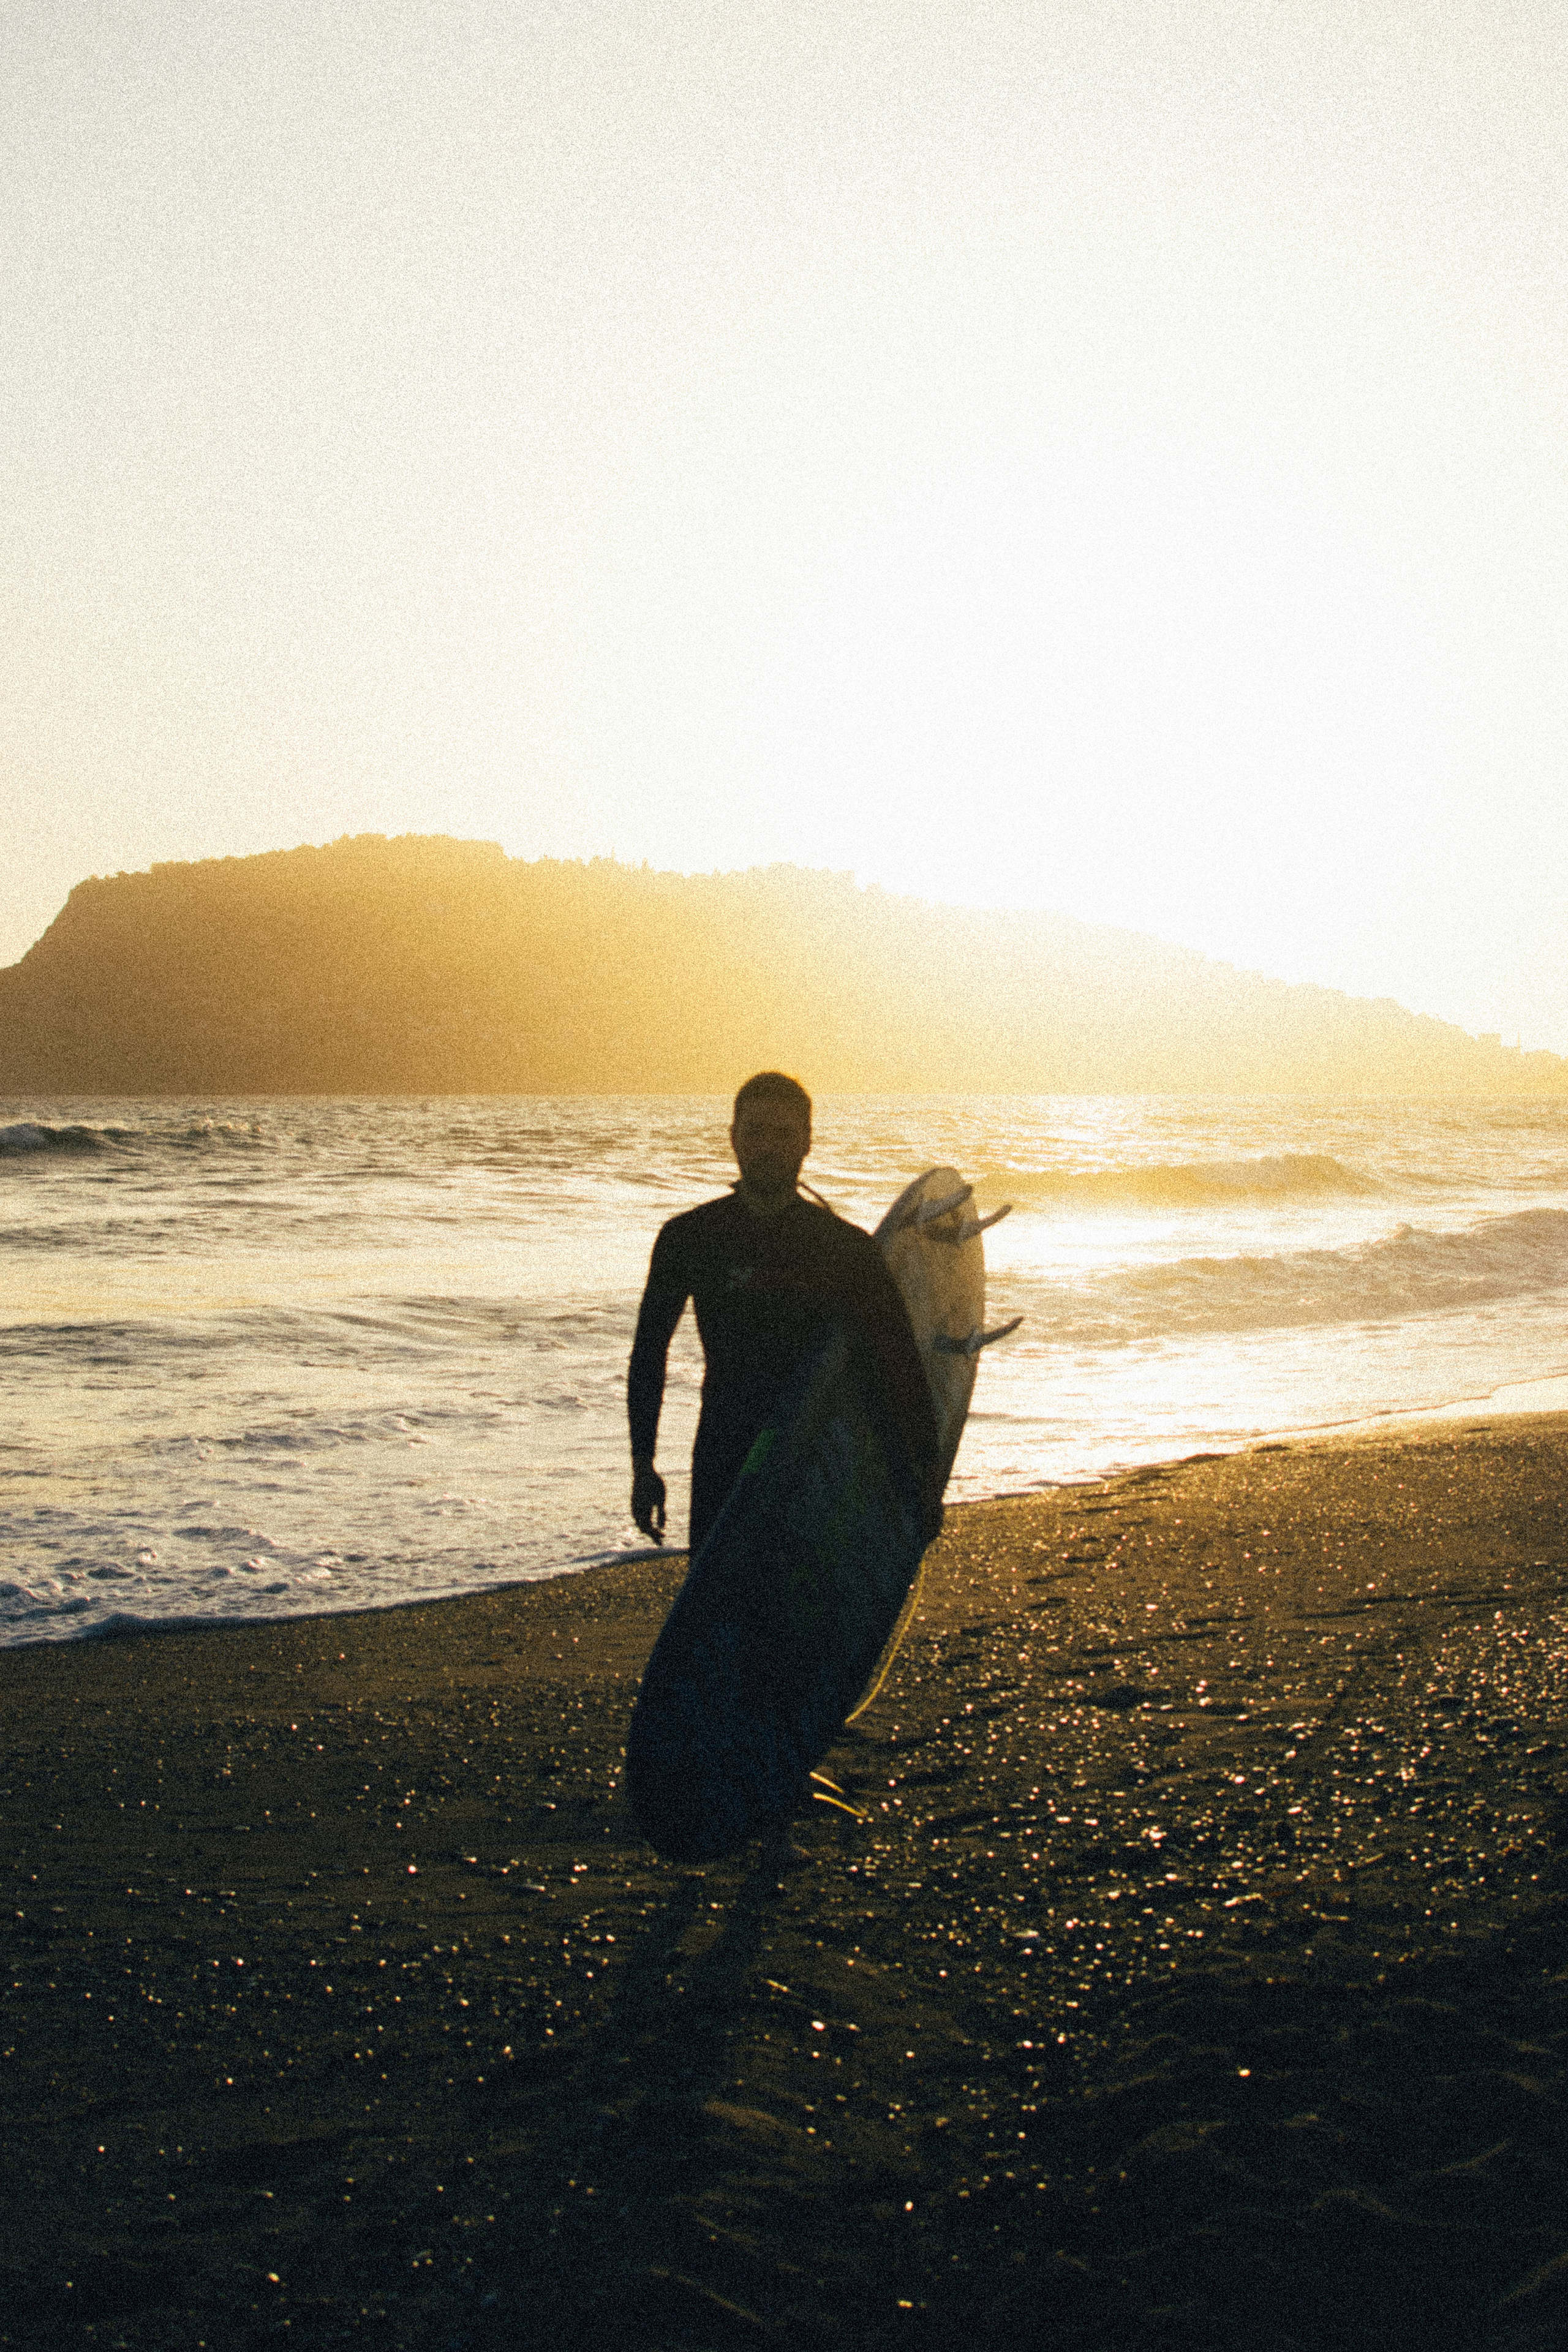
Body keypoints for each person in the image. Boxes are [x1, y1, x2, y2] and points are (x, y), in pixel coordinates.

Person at [628, 1072, 943, 1555]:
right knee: (722, 1608)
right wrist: (642, 1464)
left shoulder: (846, 1248)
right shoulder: (691, 1238)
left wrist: (923, 1477)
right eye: (755, 1132)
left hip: (822, 1456)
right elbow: (650, 1355)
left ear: (806, 1142)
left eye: (784, 1134)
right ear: (733, 1139)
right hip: (725, 1453)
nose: (768, 1147)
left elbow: (896, 1364)